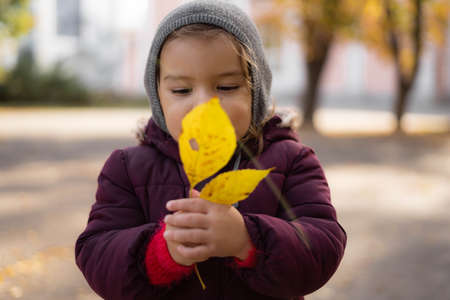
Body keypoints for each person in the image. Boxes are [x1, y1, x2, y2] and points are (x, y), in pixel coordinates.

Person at [75, 1, 346, 299]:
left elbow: (322, 248)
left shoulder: (292, 161)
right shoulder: (127, 168)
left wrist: (247, 239)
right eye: (181, 91)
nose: (204, 105)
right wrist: (161, 252)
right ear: (158, 98)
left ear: (255, 92)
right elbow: (96, 255)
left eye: (227, 87)